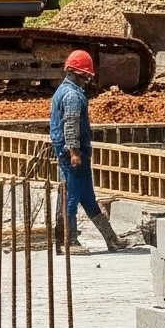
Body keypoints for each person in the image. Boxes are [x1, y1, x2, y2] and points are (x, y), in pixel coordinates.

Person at [49, 49, 125, 251]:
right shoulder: (72, 95)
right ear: (75, 73)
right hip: (73, 155)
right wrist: (74, 152)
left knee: (87, 198)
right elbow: (71, 125)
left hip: (73, 153)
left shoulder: (62, 92)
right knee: (70, 198)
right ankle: (68, 241)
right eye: (85, 76)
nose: (87, 81)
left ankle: (112, 239)